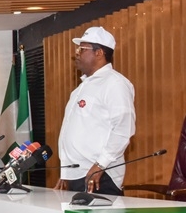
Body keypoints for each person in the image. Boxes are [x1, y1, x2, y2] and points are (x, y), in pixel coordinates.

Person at [54, 26, 136, 195]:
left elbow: (123, 129)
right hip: (78, 173)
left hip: (99, 175)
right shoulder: (81, 89)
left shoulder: (114, 84)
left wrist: (100, 164)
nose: (77, 53)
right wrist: (66, 172)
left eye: (82, 49)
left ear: (99, 53)